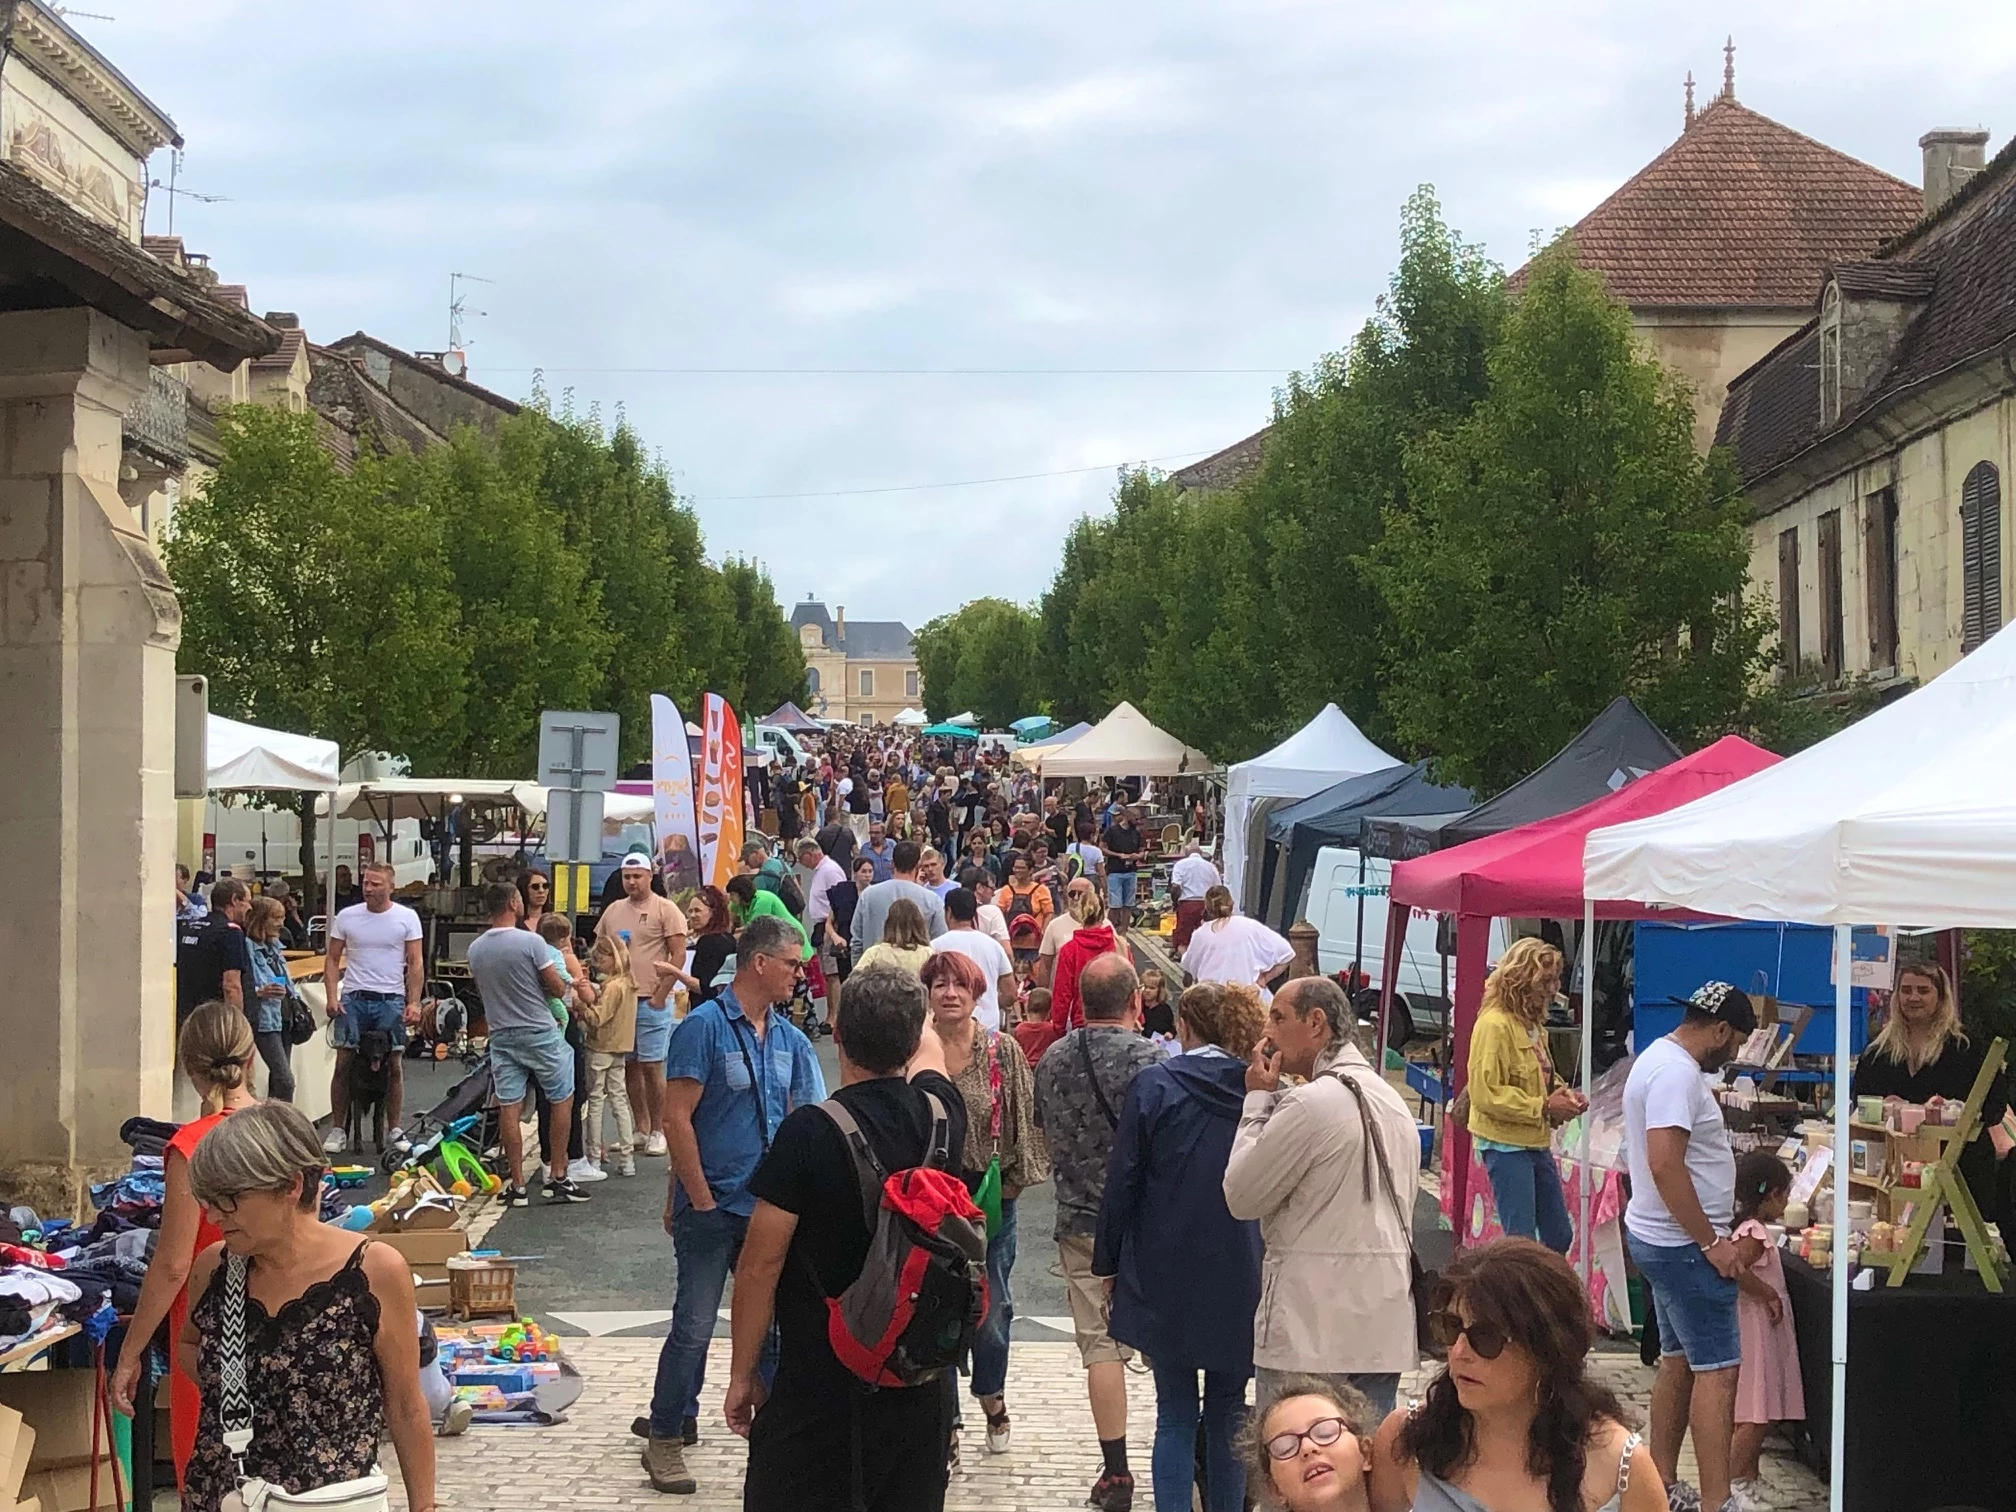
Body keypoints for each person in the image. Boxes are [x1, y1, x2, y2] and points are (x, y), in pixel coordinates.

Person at [724, 965, 966, 1510]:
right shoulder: (943, 1115)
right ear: (914, 1039)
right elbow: (931, 1056)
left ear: (836, 1033)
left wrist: (743, 1373)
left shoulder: (810, 1131)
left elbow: (760, 1265)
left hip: (819, 1388)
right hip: (914, 1385)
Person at [176, 1103, 436, 1512]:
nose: (213, 1216)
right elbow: (190, 1344)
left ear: (291, 1186)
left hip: (331, 1501)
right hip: (226, 1496)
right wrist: (243, 1386)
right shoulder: (215, 1268)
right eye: (208, 1201)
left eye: (230, 1200)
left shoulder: (374, 1271)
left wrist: (424, 1507)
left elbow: (405, 1404)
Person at [645, 915, 826, 1495]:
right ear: (760, 963)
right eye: (792, 964)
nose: (799, 975)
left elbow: (807, 1120)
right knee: (694, 1326)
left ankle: (776, 1440)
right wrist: (697, 1200)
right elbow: (677, 1119)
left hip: (767, 1212)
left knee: (768, 1332)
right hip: (714, 1206)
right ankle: (666, 1435)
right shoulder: (703, 1028)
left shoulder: (792, 1040)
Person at [1098, 981, 1266, 1512]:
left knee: (1174, 1411)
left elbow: (1123, 1180)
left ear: (1185, 1027)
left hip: (1164, 1264)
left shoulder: (1155, 1085)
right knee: (1229, 1411)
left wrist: (1108, 1264)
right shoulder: (1257, 1089)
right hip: (1241, 1263)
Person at [1224, 977, 1418, 1417]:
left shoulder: (1310, 1104)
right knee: (1366, 1454)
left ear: (1316, 1023)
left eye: (1278, 1018)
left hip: (1309, 1325)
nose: (1266, 1031)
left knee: (1294, 1451)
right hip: (1382, 1322)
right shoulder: (1392, 1101)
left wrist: (1256, 1103)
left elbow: (1240, 1194)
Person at [1368, 1239, 1661, 1512]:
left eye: (1485, 1337)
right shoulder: (1406, 1441)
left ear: (1546, 1349)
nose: (1458, 1351)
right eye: (1450, 1326)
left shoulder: (1621, 1468)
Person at [1621, 980, 1761, 1512]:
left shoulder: (1658, 1058)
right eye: (1737, 1042)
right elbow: (1664, 1162)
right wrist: (1710, 1241)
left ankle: (1660, 1483)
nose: (1734, 1054)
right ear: (1720, 1029)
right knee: (1718, 1370)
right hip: (1683, 1244)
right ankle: (1717, 1500)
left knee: (1678, 1360)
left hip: (1660, 1236)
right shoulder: (1677, 1075)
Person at [109, 1004, 260, 1488]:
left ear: (191, 1069)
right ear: (251, 1057)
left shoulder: (192, 1145)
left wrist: (130, 1354)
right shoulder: (288, 1130)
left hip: (213, 1330)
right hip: (287, 1322)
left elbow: (173, 1264)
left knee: (212, 1479)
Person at [1031, 955, 1162, 1511]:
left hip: (1081, 1220)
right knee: (1167, 1343)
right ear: (1136, 1000)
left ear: (1082, 1001)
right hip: (1149, 1225)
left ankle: (1116, 1471)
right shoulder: (1154, 1062)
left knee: (1099, 1346)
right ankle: (1182, 1448)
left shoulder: (1054, 1059)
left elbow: (1044, 1133)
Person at [929, 948, 1049, 1460]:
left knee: (992, 1310)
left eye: (960, 985)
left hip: (989, 1199)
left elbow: (1027, 1121)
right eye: (940, 985)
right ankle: (945, 1423)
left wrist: (1011, 1187)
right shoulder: (915, 1048)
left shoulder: (1002, 1050)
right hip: (932, 1200)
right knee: (934, 1310)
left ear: (977, 993)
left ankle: (990, 1394)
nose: (950, 993)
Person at [1851, 961, 2008, 1231]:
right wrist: (1885, 1108)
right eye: (1906, 990)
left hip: (1960, 1170)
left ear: (1941, 997)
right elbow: (1861, 1101)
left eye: (1923, 990)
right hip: (1896, 1173)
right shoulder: (1878, 1052)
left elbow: (1995, 1106)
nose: (1913, 997)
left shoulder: (1967, 1048)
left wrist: (1952, 1111)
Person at [464, 882, 585, 1204]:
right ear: (513, 904)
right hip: (538, 1030)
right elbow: (557, 988)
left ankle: (516, 1184)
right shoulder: (532, 942)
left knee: (510, 1106)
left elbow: (481, 989)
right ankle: (558, 1175)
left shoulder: (475, 949)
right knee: (562, 1098)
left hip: (502, 1033)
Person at [1466, 937, 1586, 1253]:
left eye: (1555, 980)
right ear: (1522, 980)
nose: (1553, 989)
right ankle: (1522, 1284)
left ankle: (1540, 1280)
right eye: (1545, 981)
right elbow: (1485, 1094)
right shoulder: (1494, 1025)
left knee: (1559, 1234)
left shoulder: (1531, 1025)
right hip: (1505, 1144)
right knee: (1521, 1240)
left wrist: (1564, 1095)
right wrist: (1544, 1105)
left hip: (1534, 1140)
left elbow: (1541, 1074)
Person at [323, 862, 423, 1155]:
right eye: (366, 882)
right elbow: (332, 958)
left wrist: (414, 1001)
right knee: (344, 1062)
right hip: (354, 996)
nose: (368, 888)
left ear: (391, 886)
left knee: (393, 1064)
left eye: (375, 884)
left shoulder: (406, 917)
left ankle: (394, 1129)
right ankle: (338, 1129)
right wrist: (332, 996)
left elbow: (415, 961)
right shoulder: (347, 916)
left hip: (390, 998)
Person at [595, 853, 689, 1161]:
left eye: (637, 876)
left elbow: (678, 954)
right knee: (629, 1065)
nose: (632, 882)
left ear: (650, 876)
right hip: (621, 1000)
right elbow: (601, 949)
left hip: (651, 998)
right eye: (627, 877)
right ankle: (641, 1126)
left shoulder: (665, 909)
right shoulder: (613, 910)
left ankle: (659, 1130)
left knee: (652, 1065)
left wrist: (662, 993)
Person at [1729, 1153, 1801, 1512]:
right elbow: (1735, 1267)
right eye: (1784, 1195)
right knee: (1755, 1413)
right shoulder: (1753, 1233)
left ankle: (1751, 1477)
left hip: (1762, 1328)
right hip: (1754, 1327)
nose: (1786, 1203)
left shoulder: (1753, 1229)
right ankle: (1733, 1482)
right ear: (1772, 1194)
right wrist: (1766, 1293)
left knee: (1763, 1407)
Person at [1026, 882, 1127, 1063]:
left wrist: (1058, 1028)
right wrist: (1136, 1017)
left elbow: (1063, 992)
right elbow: (1130, 985)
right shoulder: (1118, 943)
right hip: (1119, 1020)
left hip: (1082, 1022)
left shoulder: (1070, 949)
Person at [582, 932, 639, 1178]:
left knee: (596, 1101)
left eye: (600, 960)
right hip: (621, 1047)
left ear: (611, 958)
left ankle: (594, 1156)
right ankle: (627, 1158)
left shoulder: (613, 987)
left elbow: (598, 1018)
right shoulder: (629, 983)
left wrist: (582, 1007)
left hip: (600, 1047)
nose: (598, 965)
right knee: (619, 1101)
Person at [1183, 886, 1295, 1000]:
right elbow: (1287, 953)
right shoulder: (1250, 926)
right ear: (1232, 904)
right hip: (1248, 997)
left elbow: (1189, 965)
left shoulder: (1200, 934)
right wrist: (1265, 978)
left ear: (1207, 908)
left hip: (1212, 1000)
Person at [930, 888, 1018, 1032]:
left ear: (948, 912)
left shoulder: (935, 947)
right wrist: (989, 1003)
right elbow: (1011, 993)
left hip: (948, 1030)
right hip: (988, 1029)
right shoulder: (994, 946)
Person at [241, 897, 298, 1102]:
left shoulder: (275, 946)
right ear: (261, 919)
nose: (281, 923)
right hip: (264, 1019)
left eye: (282, 917)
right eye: (276, 918)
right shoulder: (246, 947)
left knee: (279, 1078)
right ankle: (283, 1118)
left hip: (283, 1015)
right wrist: (259, 992)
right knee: (285, 1080)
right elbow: (244, 983)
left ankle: (275, 1117)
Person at [850, 839, 947, 956]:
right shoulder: (932, 900)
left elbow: (857, 942)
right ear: (918, 865)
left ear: (892, 864)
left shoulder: (868, 895)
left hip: (875, 965)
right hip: (917, 966)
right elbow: (940, 944)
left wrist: (859, 966)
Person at [177, 877, 254, 1024]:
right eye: (247, 901)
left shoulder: (191, 927)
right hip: (215, 1018)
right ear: (234, 900)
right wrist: (236, 1026)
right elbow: (231, 986)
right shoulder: (230, 932)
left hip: (187, 1016)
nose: (249, 907)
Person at [668, 884, 738, 1008]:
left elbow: (705, 988)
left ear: (713, 912)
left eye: (697, 911)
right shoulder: (728, 938)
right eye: (690, 911)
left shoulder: (708, 942)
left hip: (707, 1008)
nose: (692, 915)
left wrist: (673, 971)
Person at [1035, 875, 1097, 988]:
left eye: (1081, 894)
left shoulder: (1104, 925)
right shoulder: (1054, 926)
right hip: (1062, 990)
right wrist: (1042, 992)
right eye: (1072, 894)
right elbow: (1045, 964)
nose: (1076, 898)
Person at [824, 856, 876, 982]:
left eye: (870, 871)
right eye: (864, 871)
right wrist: (835, 937)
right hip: (845, 945)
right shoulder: (842, 892)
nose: (867, 875)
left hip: (869, 946)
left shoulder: (876, 894)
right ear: (855, 873)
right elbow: (829, 922)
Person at [855, 898, 936, 977]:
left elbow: (855, 979)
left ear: (888, 924)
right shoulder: (928, 954)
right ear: (920, 924)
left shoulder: (874, 953)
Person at [1100, 803, 1148, 928]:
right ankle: (1109, 930)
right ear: (1127, 816)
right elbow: (1102, 847)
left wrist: (1137, 856)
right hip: (1115, 871)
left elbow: (1142, 850)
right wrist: (1118, 855)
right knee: (1115, 906)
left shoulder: (1136, 833)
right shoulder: (1112, 831)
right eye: (1135, 818)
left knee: (1128, 905)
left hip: (1131, 871)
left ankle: (1124, 931)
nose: (1137, 821)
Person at [1169, 842, 1221, 954]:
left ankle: (1185, 960)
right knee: (1206, 937)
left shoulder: (1180, 865)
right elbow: (1218, 888)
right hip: (1206, 905)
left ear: (1186, 853)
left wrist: (1175, 902)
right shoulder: (1210, 867)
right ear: (1201, 853)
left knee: (1183, 939)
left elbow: (1175, 886)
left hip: (1187, 904)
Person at [1138, 967, 1176, 1040]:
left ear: (1160, 990)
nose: (1147, 990)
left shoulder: (1164, 1009)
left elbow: (1172, 1027)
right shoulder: (1138, 1006)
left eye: (1152, 988)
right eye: (1145, 987)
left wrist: (1170, 1033)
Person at [517, 866, 553, 932]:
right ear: (523, 889)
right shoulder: (513, 922)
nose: (541, 891)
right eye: (535, 887)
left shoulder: (554, 921)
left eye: (545, 886)